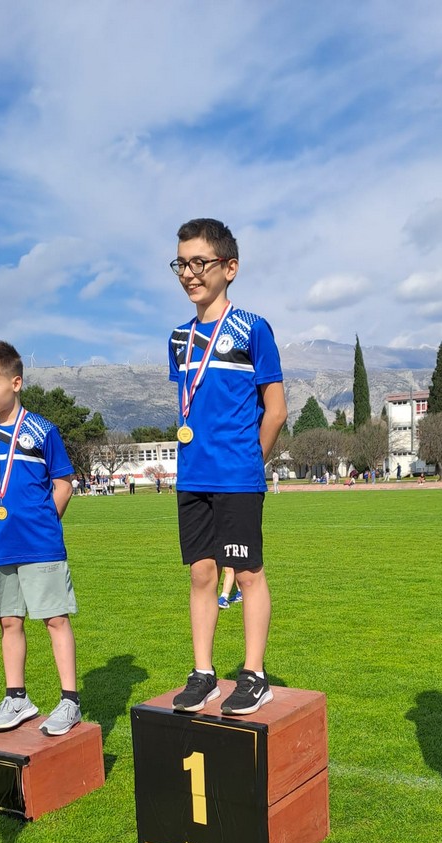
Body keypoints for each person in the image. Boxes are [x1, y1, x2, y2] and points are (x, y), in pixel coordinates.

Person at [168, 217, 287, 716]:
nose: (189, 273)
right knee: (201, 574)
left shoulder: (252, 328)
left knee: (248, 573)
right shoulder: (178, 338)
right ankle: (203, 673)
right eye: (181, 264)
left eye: (200, 262)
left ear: (229, 267)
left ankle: (254, 675)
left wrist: (249, 462)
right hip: (192, 475)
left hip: (237, 475)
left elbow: (276, 409)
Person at [0, 340, 82, 737]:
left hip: (40, 543)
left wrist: (45, 523)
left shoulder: (42, 430)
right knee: (9, 621)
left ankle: (70, 701)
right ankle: (17, 698)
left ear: (15, 383)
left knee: (55, 619)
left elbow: (64, 482)